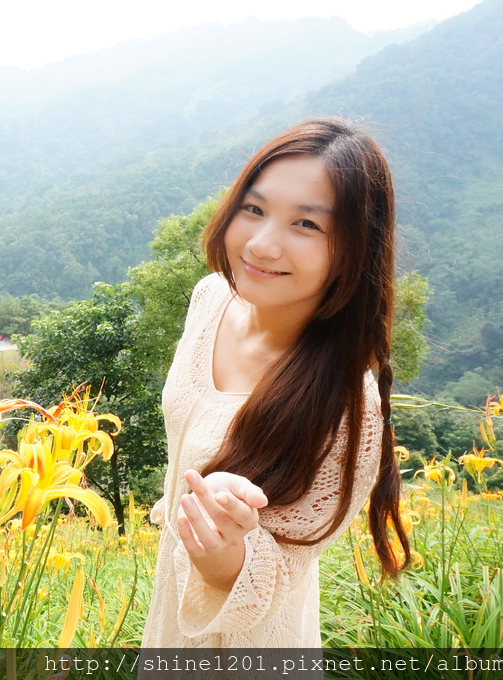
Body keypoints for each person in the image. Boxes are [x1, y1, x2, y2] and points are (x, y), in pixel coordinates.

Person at [141, 117, 411, 649]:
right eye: (254, 209)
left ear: (355, 250)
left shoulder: (347, 407)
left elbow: (274, 577)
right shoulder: (211, 298)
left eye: (306, 224)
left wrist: (222, 545)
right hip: (169, 620)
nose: (262, 245)